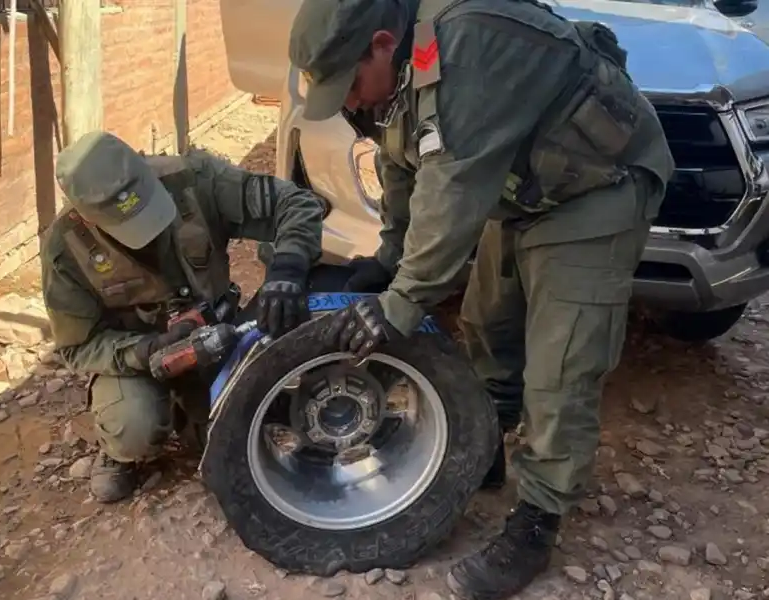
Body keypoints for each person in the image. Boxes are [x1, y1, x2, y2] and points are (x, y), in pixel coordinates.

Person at [288, 0, 674, 597]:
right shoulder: (395, 75)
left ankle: (538, 519)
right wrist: (389, 257)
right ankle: (488, 445)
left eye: (350, 84)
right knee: (488, 324)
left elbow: (451, 193)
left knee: (561, 362)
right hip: (522, 187)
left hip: (598, 186)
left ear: (382, 44)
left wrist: (401, 301)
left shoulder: (465, 46)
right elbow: (400, 162)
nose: (350, 102)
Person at [40, 131, 325, 503]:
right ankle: (119, 449)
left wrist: (287, 270)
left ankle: (191, 411)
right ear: (85, 216)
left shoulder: (193, 180)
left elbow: (297, 204)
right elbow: (78, 347)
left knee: (226, 438)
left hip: (217, 338)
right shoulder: (66, 249)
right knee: (134, 428)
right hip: (141, 359)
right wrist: (149, 351)